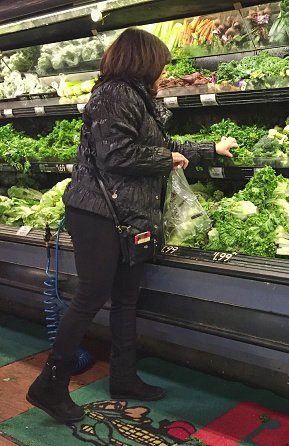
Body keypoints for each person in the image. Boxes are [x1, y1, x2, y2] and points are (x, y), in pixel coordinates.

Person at [26, 28, 238, 424]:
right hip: (99, 215)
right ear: (142, 62)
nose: (163, 74)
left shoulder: (136, 99)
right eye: (160, 66)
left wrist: (209, 148)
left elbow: (159, 144)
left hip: (130, 216)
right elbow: (116, 154)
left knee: (126, 297)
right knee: (91, 295)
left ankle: (123, 376)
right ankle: (50, 385)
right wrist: (168, 159)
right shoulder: (113, 94)